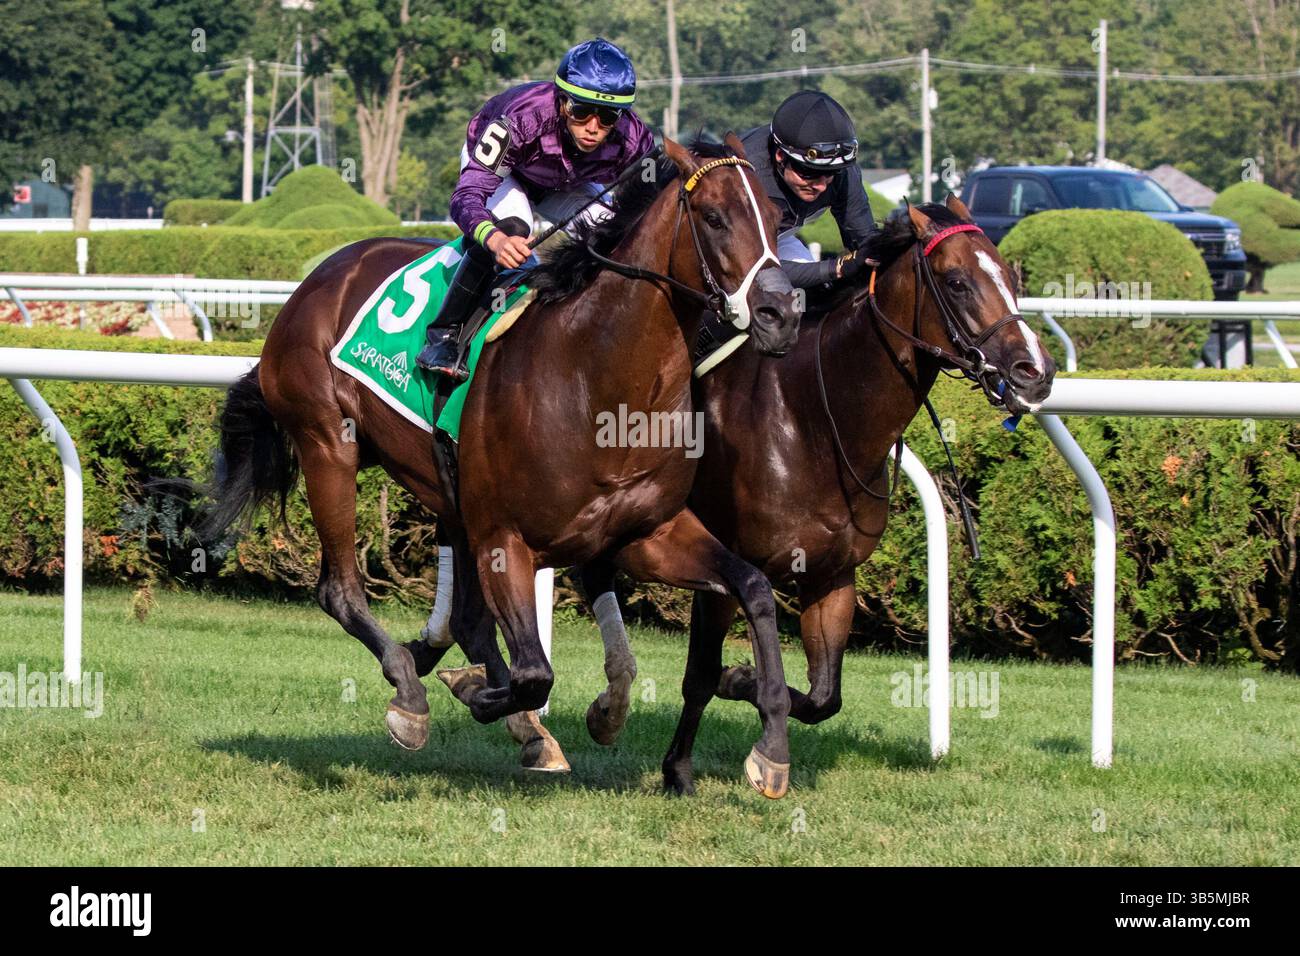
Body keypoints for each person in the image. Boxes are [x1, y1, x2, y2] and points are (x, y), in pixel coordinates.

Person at [416, 37, 656, 380]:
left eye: (606, 116)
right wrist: (495, 239)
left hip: (562, 183)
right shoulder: (519, 119)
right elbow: (466, 196)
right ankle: (444, 335)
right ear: (561, 102)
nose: (593, 126)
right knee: (514, 225)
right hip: (504, 172)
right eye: (581, 110)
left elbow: (650, 204)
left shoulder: (632, 138)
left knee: (615, 233)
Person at [738, 90, 878, 291]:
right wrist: (837, 267)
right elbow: (752, 264)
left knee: (816, 296)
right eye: (810, 173)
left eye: (830, 173)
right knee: (776, 295)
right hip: (724, 250)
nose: (821, 185)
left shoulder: (843, 173)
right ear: (780, 156)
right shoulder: (747, 179)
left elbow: (867, 244)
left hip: (778, 238)